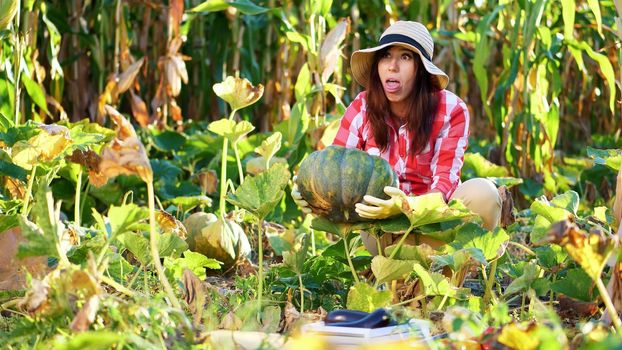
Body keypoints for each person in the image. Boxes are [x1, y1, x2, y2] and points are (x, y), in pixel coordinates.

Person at [292, 21, 502, 255]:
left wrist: (402, 207)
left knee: (484, 194)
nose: (392, 66)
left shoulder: (451, 109)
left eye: (405, 57)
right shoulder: (362, 108)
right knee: (382, 242)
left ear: (421, 69)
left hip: (436, 226)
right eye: (386, 56)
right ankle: (402, 272)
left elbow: (444, 185)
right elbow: (331, 169)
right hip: (383, 230)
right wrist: (309, 192)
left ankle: (444, 268)